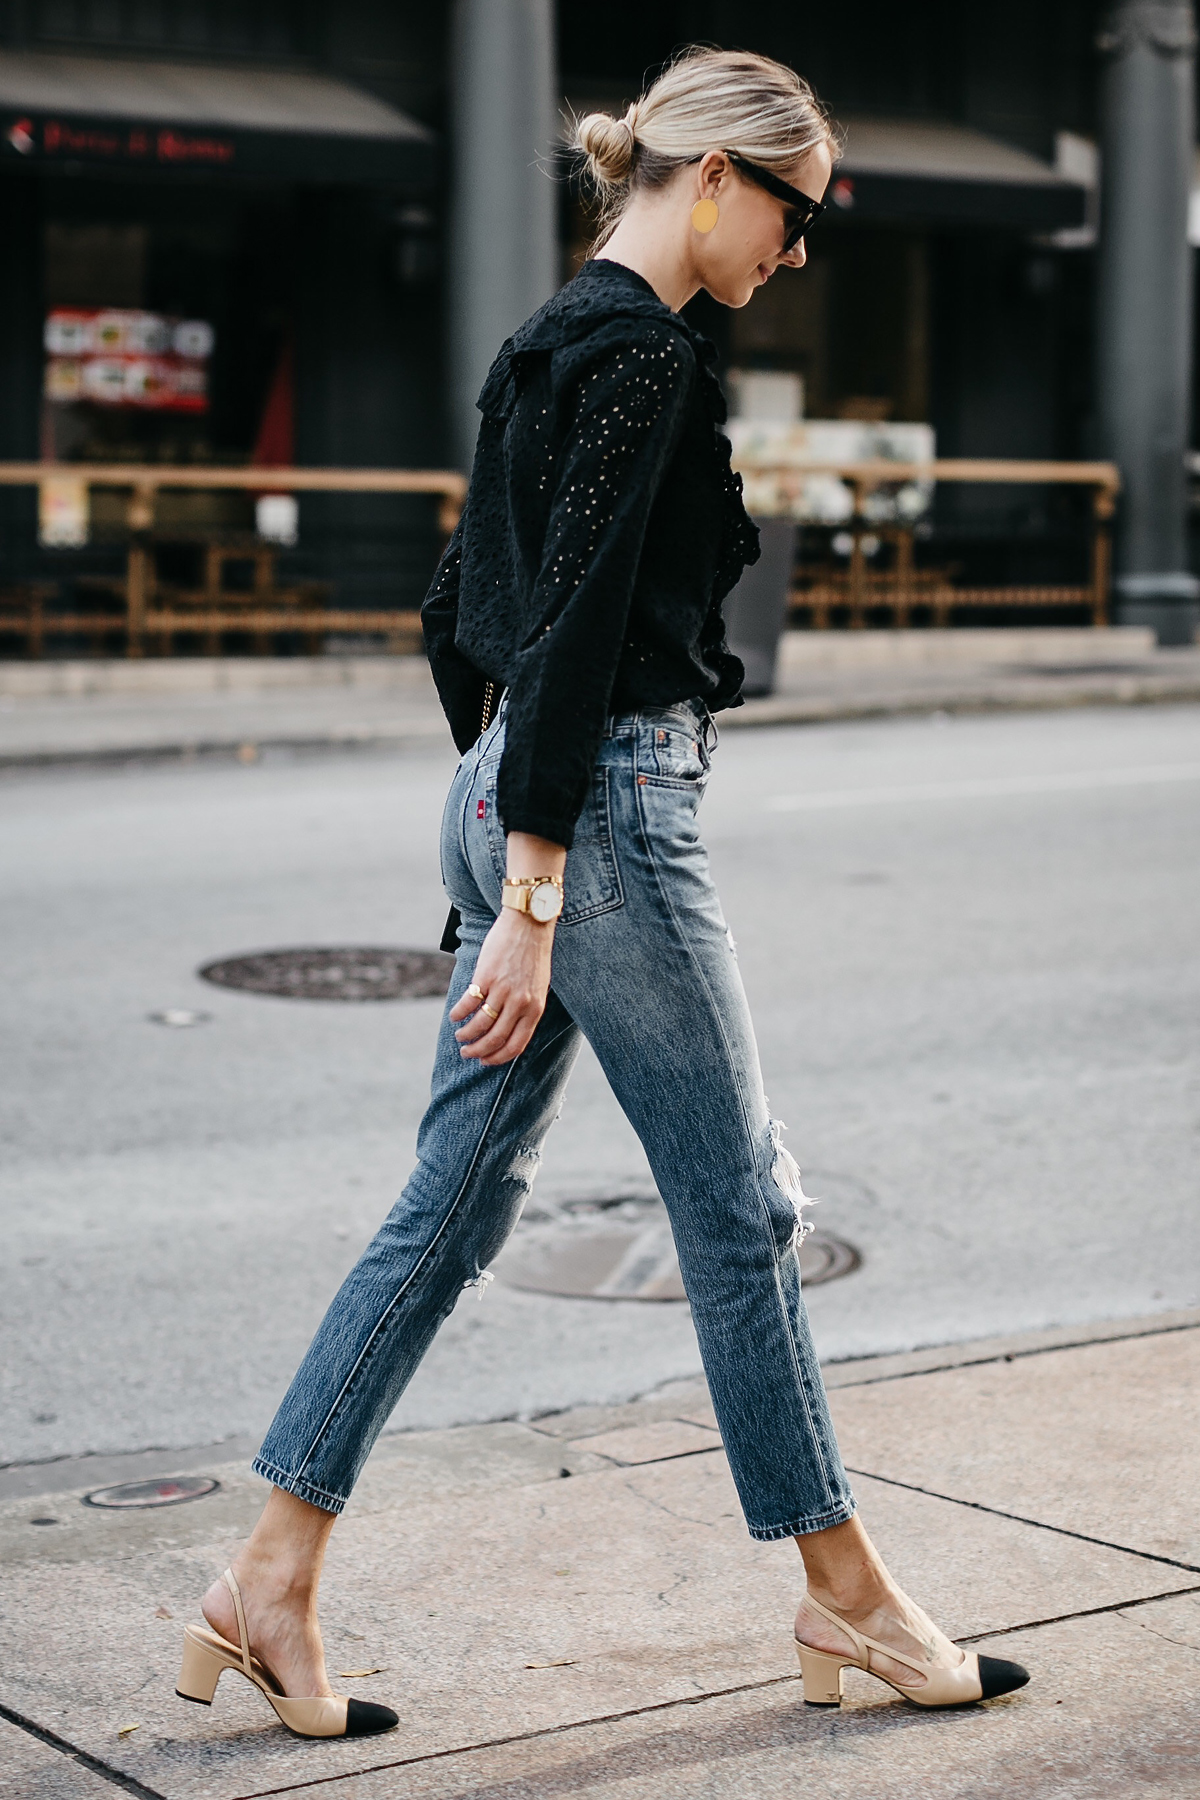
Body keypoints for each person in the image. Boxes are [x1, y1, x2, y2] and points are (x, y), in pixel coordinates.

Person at [176, 47, 1028, 1738]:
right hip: (603, 823)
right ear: (716, 175)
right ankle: (847, 1594)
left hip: (518, 798)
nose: (800, 252)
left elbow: (457, 606)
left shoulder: (552, 336)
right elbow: (567, 631)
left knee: (450, 1209)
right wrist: (542, 882)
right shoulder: (640, 360)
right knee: (745, 1212)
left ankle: (265, 1579)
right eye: (795, 211)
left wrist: (494, 823)